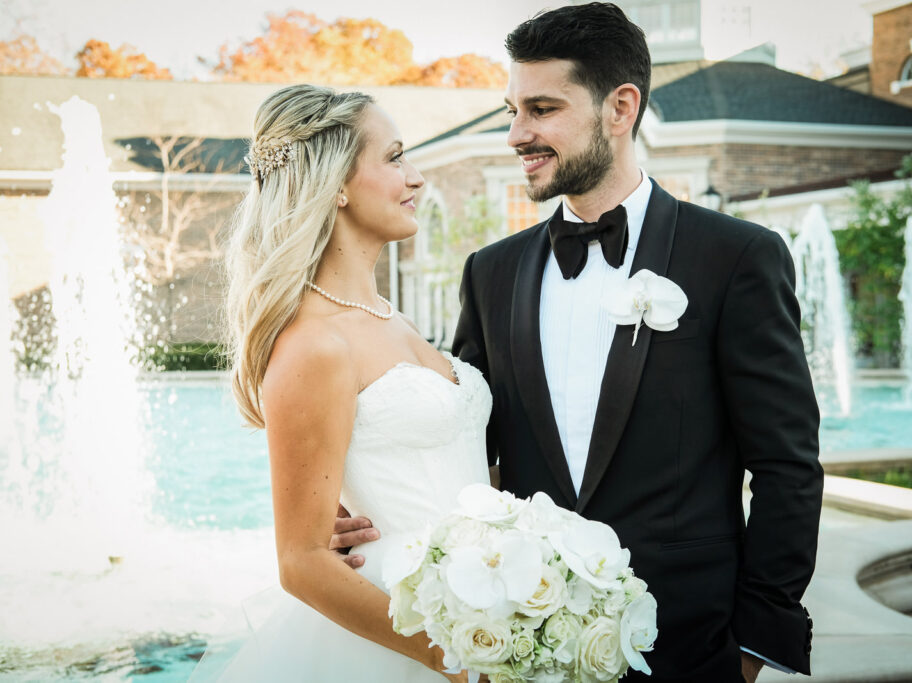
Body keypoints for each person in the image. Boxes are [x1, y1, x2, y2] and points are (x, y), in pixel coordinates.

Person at [339, 2, 824, 680]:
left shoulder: (737, 258)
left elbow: (787, 466)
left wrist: (750, 648)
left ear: (620, 108)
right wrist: (361, 504)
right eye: (512, 109)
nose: (515, 134)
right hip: (523, 647)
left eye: (541, 109)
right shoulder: (491, 272)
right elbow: (465, 439)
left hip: (692, 645)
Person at [194, 84, 491, 682]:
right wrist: (456, 659)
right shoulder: (314, 343)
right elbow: (301, 562)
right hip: (408, 641)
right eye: (395, 157)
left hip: (482, 605)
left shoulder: (392, 318)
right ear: (337, 186)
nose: (416, 178)